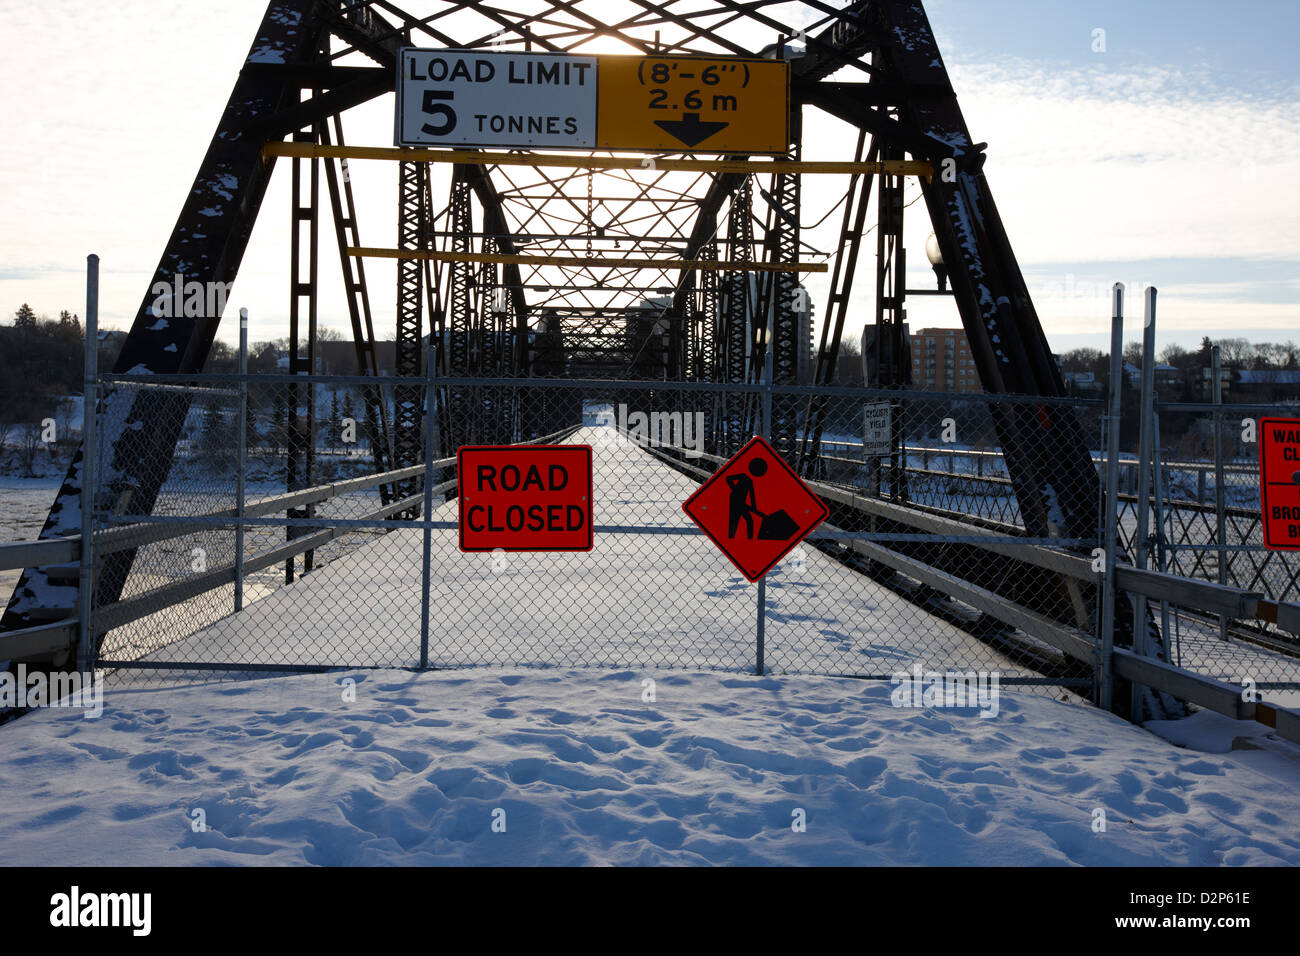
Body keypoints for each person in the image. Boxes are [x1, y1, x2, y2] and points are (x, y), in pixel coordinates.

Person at [727, 457, 767, 538]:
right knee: (734, 522)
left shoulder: (750, 481)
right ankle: (731, 539)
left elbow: (752, 495)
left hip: (741, 502)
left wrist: (754, 508)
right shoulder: (743, 476)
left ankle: (750, 540)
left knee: (750, 521)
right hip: (734, 501)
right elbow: (728, 478)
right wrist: (735, 490)